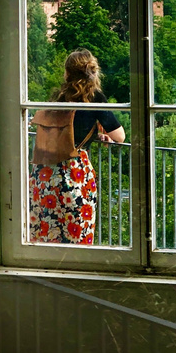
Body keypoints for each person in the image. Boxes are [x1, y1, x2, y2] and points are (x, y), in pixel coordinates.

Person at [29, 48, 125, 245]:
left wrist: (92, 133)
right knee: (77, 234)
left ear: (67, 73)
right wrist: (98, 135)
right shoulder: (94, 97)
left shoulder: (59, 97)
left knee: (47, 232)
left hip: (45, 171)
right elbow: (119, 136)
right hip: (74, 173)